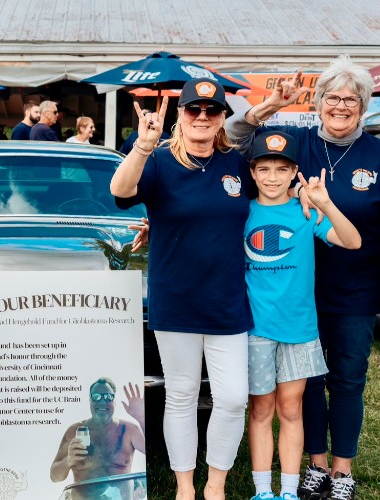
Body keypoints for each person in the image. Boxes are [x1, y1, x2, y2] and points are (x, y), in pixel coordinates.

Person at [224, 56, 380, 500]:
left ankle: (342, 471)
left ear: (364, 106)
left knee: (347, 378)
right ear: (318, 103)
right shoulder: (297, 142)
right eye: (332, 98)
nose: (341, 106)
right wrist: (269, 106)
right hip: (292, 291)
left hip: (353, 285)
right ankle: (315, 465)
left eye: (351, 99)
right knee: (305, 384)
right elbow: (233, 140)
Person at [109, 77, 252, 500]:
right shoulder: (159, 161)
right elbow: (120, 192)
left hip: (228, 299)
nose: (203, 117)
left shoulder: (237, 163)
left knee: (231, 398)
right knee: (182, 394)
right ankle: (186, 487)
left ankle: (217, 484)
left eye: (212, 111)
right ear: (181, 116)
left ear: (223, 117)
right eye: (194, 110)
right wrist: (142, 145)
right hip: (177, 297)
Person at [241, 131, 362, 500]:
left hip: (298, 326)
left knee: (291, 407)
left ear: (294, 171)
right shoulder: (242, 212)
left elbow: (352, 240)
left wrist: (326, 204)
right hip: (254, 328)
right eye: (264, 169)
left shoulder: (306, 211)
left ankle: (290, 490)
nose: (272, 178)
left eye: (281, 169)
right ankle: (263, 490)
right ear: (252, 172)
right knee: (261, 408)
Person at [50, 379, 148, 500]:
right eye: (96, 396)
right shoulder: (74, 431)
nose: (102, 401)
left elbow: (156, 455)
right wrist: (68, 460)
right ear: (90, 400)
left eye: (108, 396)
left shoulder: (129, 430)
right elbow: (55, 477)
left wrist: (142, 418)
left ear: (115, 401)